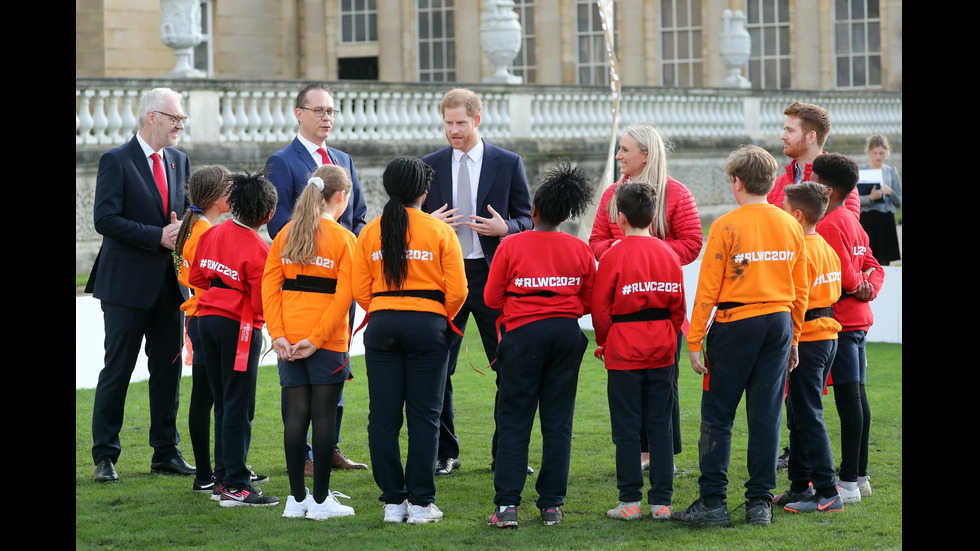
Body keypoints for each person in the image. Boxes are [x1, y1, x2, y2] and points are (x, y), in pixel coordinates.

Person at [675, 145, 807, 528]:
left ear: (736, 182)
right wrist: (795, 338)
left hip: (736, 324)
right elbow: (801, 290)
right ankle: (759, 504)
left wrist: (695, 340)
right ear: (770, 183)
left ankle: (713, 502)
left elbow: (708, 290)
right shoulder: (790, 224)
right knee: (767, 416)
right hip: (778, 323)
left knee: (718, 415)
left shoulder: (725, 225)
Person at [421, 88, 532, 475]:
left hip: (492, 276)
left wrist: (507, 228)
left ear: (476, 120)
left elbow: (527, 219)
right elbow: (410, 220)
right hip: (443, 276)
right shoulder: (428, 165)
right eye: (448, 123)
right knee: (437, 369)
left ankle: (506, 452)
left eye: (460, 123)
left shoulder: (508, 162)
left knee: (508, 364)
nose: (453, 130)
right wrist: (429, 222)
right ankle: (445, 454)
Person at [87, 87, 195, 482]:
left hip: (170, 287)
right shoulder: (115, 160)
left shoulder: (180, 160)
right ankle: (105, 456)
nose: (180, 124)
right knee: (117, 370)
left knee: (168, 373)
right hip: (126, 286)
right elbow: (105, 219)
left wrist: (185, 228)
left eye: (181, 119)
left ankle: (166, 452)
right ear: (152, 117)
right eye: (175, 118)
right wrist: (157, 236)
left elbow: (184, 215)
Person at [353, 156, 467, 524]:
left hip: (382, 324)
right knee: (425, 416)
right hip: (428, 325)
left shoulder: (371, 230)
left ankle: (392, 502)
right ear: (424, 191)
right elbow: (459, 290)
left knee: (382, 417)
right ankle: (420, 504)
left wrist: (387, 308)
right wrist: (436, 314)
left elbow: (360, 290)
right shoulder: (438, 230)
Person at [484, 161, 595, 529]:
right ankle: (551, 506)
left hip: (522, 338)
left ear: (532, 211)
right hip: (565, 336)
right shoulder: (579, 249)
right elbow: (592, 301)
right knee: (558, 422)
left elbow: (491, 298)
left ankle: (507, 507)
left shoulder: (512, 244)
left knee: (514, 420)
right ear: (566, 214)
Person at [266, 83, 368, 472]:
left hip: (343, 275)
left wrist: (347, 251)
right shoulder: (282, 161)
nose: (327, 117)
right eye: (319, 110)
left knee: (335, 360)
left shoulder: (344, 158)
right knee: (296, 371)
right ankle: (305, 454)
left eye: (331, 111)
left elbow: (357, 214)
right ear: (299, 114)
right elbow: (279, 225)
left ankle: (331, 447)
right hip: (302, 283)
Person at [588, 122, 701, 470]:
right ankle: (635, 454)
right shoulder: (610, 195)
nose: (619, 155)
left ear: (646, 155)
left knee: (664, 384)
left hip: (658, 304)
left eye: (625, 149)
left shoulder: (677, 193)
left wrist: (648, 250)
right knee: (626, 385)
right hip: (622, 308)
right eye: (619, 148)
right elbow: (595, 243)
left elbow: (692, 243)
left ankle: (659, 454)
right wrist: (625, 247)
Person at [263, 165, 357, 520]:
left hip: (288, 341)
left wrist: (279, 335)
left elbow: (270, 290)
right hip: (325, 342)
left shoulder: (285, 233)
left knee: (296, 416)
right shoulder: (345, 239)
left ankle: (296, 499)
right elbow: (344, 299)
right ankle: (319, 502)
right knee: (324, 417)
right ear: (341, 197)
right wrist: (315, 340)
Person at [593, 182, 686, 522]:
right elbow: (679, 306)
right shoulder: (669, 254)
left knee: (627, 427)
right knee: (661, 424)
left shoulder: (614, 254)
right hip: (662, 348)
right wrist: (667, 334)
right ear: (653, 217)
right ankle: (662, 502)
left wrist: (605, 341)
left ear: (619, 217)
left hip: (624, 350)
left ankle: (630, 500)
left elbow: (600, 308)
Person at [190, 170, 280, 508]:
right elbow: (260, 304)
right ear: (268, 214)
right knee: (238, 405)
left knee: (223, 401)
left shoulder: (213, 233)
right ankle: (237, 487)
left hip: (206, 319)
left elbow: (198, 275)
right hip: (238, 326)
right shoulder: (259, 248)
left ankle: (223, 480)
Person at [812, 153, 884, 504]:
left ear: (825, 188)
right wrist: (868, 288)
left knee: (848, 398)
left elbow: (845, 274)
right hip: (858, 320)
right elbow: (874, 266)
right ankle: (861, 476)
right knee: (858, 395)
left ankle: (849, 483)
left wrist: (859, 285)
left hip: (840, 321)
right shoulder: (852, 221)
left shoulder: (829, 224)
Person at [774, 182, 845, 514]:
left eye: (783, 209)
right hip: (827, 337)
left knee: (808, 414)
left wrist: (794, 343)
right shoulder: (825, 247)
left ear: (797, 215)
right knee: (799, 414)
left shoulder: (801, 249)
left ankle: (828, 491)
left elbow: (798, 302)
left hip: (810, 339)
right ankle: (800, 486)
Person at [174, 165, 233, 493]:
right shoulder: (204, 231)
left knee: (205, 396)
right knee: (217, 398)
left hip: (199, 318)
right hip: (211, 317)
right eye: (229, 189)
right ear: (215, 196)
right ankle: (219, 472)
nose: (233, 195)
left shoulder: (194, 226)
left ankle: (210, 473)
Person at [768, 101, 860, 218]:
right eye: (784, 129)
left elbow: (845, 231)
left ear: (811, 137)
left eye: (790, 131)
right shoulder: (776, 186)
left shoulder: (840, 183)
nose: (783, 136)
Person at [858, 135, 902, 264]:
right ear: (869, 152)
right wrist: (870, 198)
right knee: (866, 261)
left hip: (885, 220)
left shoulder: (891, 171)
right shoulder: (861, 170)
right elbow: (854, 199)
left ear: (887, 152)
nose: (878, 156)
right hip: (867, 220)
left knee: (884, 262)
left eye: (882, 153)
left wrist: (890, 192)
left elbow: (898, 202)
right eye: (875, 153)